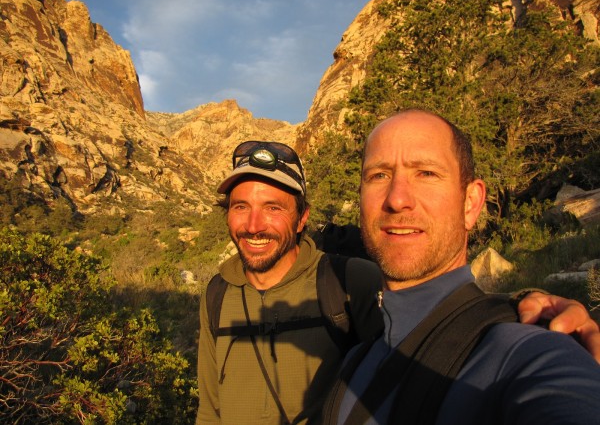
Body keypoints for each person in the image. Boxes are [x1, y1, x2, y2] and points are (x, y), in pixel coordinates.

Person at [196, 140, 600, 425]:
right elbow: (209, 411)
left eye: (272, 208)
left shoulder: (346, 280)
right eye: (240, 206)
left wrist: (523, 308)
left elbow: (431, 317)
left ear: (302, 219)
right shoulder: (216, 294)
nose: (253, 225)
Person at [323, 109, 600, 424]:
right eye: (378, 175)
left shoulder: (527, 350)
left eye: (426, 173)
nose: (397, 199)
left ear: (470, 203)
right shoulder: (354, 363)